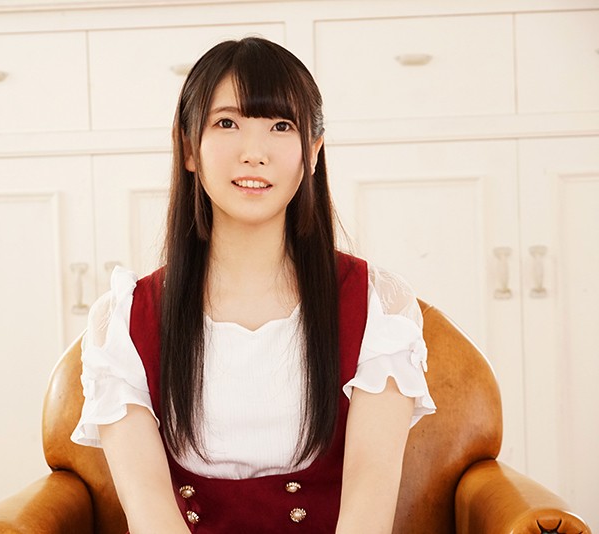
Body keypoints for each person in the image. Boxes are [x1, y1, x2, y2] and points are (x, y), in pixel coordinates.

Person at [71, 36, 436, 533]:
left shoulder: (377, 305)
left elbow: (367, 510)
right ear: (188, 148)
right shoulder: (124, 322)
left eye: (281, 126)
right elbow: (150, 513)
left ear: (313, 152)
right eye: (227, 123)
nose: (254, 153)